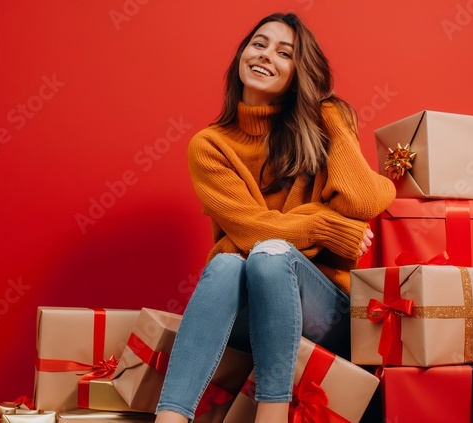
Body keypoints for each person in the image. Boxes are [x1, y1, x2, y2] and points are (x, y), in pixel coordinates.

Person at [154, 12, 396, 423]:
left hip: (328, 313)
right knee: (234, 261)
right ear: (241, 56)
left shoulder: (325, 123)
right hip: (249, 315)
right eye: (259, 44)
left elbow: (365, 198)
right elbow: (249, 229)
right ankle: (172, 417)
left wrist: (332, 114)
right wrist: (324, 227)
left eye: (284, 53)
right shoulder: (210, 146)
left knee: (264, 254)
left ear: (299, 72)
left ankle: (273, 413)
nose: (266, 56)